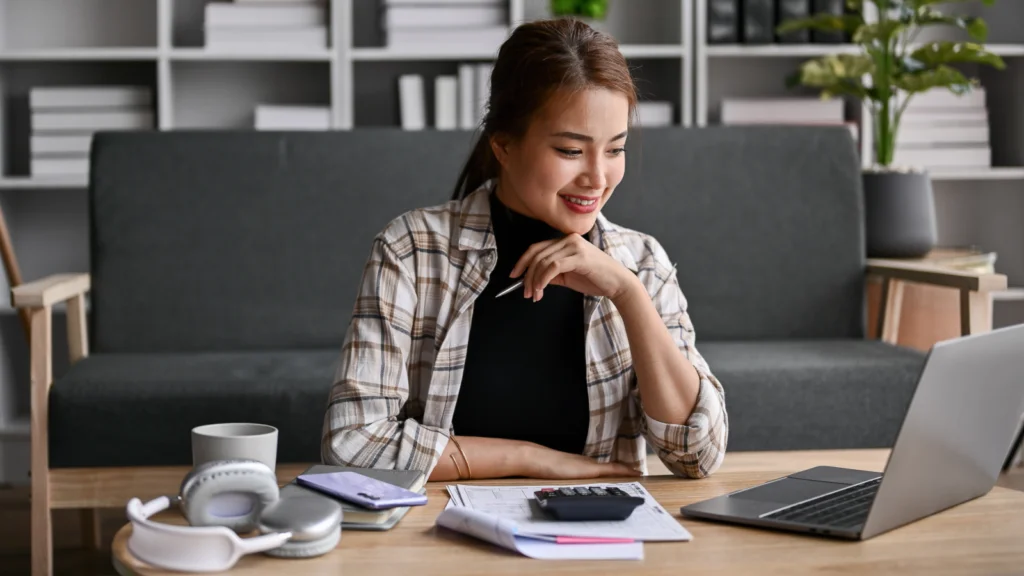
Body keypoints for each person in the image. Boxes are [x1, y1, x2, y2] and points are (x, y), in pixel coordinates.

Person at [322, 17, 727, 481]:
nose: (597, 178)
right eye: (571, 151)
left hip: (598, 539)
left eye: (615, 150)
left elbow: (697, 455)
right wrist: (532, 459)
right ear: (504, 145)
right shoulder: (413, 250)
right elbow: (351, 444)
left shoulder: (641, 263)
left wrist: (627, 293)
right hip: (440, 534)